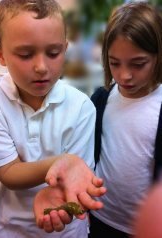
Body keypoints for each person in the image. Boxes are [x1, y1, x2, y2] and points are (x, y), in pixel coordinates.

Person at [0, 0, 106, 237]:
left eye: (53, 53)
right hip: (6, 228)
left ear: (64, 49)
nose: (41, 67)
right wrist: (62, 161)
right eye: (25, 54)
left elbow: (75, 182)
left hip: (66, 231)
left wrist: (67, 188)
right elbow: (8, 171)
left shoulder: (81, 107)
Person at [88, 2, 162, 238]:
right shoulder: (101, 99)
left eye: (138, 64)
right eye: (114, 63)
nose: (124, 75)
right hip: (98, 216)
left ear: (158, 56)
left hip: (142, 227)